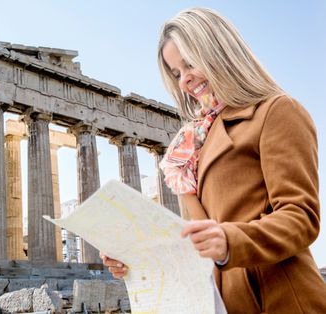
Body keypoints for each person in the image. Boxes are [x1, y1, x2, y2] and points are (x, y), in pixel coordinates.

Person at [101, 7, 326, 313]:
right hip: (221, 302)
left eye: (190, 63)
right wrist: (140, 258)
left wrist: (230, 240)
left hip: (280, 298)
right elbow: (198, 240)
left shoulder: (277, 111)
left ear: (219, 51)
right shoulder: (193, 145)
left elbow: (301, 218)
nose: (184, 81)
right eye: (176, 73)